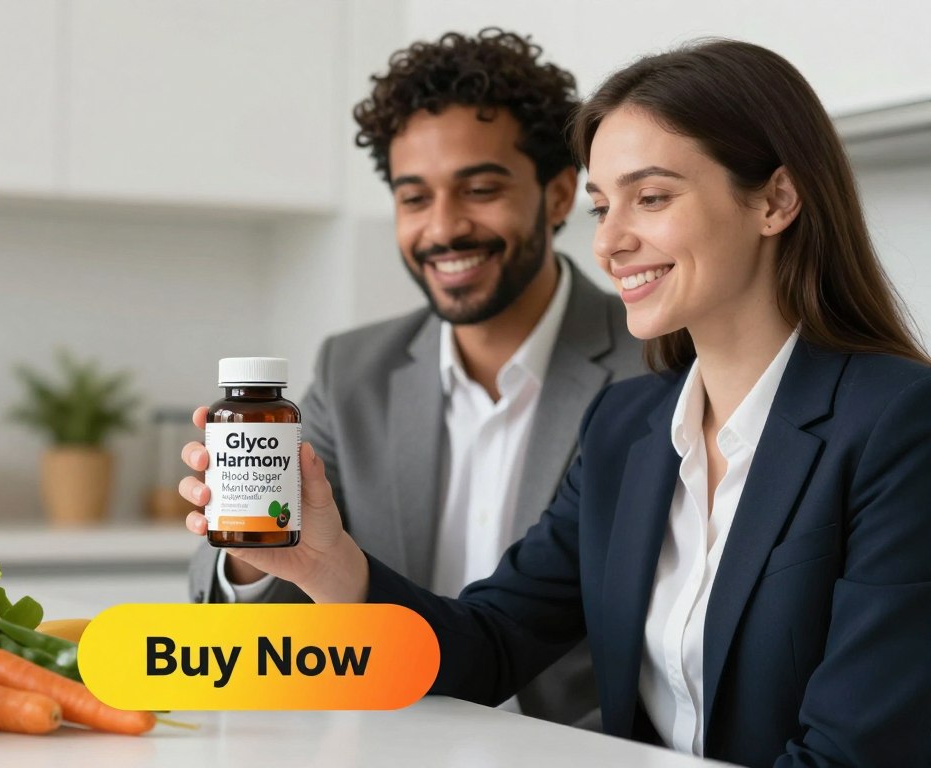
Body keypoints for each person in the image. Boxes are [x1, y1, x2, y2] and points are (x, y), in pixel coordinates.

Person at [180, 38, 931, 768]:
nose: (610, 242)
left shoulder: (900, 423)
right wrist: (328, 565)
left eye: (651, 198)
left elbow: (853, 752)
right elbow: (492, 645)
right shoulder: (627, 428)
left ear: (775, 200)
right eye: (604, 207)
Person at [186, 28, 644, 730]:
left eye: (480, 189)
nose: (443, 229)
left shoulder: (654, 364)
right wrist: (253, 550)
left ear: (558, 196)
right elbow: (273, 615)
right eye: (414, 198)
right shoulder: (351, 371)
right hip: (387, 737)